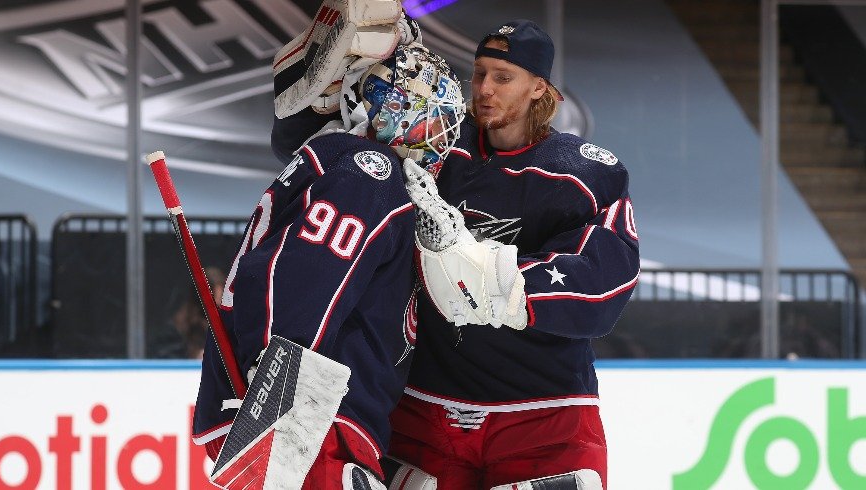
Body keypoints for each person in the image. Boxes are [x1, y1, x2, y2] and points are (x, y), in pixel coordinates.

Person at [191, 12, 466, 488]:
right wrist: (275, 392)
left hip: (320, 424)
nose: (438, 140)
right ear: (391, 112)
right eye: (430, 122)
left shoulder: (342, 162)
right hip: (307, 424)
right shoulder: (371, 172)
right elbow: (304, 277)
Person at [387, 19, 641, 490]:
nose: (485, 89)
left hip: (545, 417)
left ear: (538, 87)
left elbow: (605, 283)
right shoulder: (435, 152)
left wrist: (490, 276)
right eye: (479, 73)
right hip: (426, 412)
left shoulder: (582, 174)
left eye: (503, 77)